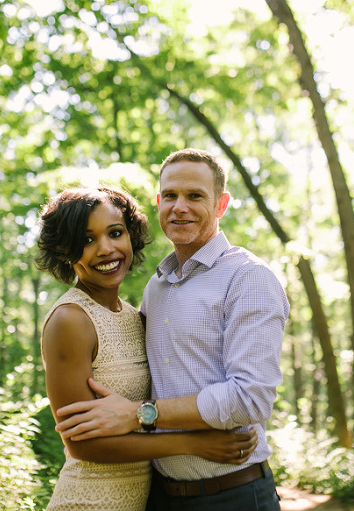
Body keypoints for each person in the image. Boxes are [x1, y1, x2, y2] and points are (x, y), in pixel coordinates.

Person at [55, 150, 290, 511]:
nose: (180, 206)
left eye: (195, 196)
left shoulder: (248, 278)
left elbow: (250, 398)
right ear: (159, 202)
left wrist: (140, 413)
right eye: (170, 196)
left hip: (231, 493)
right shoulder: (157, 288)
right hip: (160, 496)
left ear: (220, 204)